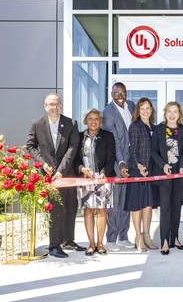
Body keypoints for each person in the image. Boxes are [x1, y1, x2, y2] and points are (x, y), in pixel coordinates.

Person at [26, 93, 84, 258]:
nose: (55, 107)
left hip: (67, 173)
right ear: (45, 107)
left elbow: (72, 149)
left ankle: (68, 240)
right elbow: (30, 145)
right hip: (49, 175)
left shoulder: (71, 123)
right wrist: (42, 163)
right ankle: (54, 245)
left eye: (57, 104)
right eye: (51, 104)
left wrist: (61, 171)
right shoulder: (37, 124)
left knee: (71, 207)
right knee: (56, 209)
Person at [151, 102, 183, 255]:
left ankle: (175, 238)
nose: (172, 114)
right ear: (165, 113)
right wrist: (163, 165)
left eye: (175, 112)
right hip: (164, 174)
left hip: (179, 175)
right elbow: (154, 151)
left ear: (179, 114)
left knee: (176, 209)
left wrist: (182, 167)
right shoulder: (159, 130)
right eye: (169, 111)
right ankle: (165, 241)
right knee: (166, 209)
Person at [74, 108, 116, 256]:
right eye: (90, 119)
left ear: (100, 121)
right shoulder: (79, 137)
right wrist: (81, 169)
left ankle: (100, 244)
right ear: (86, 121)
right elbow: (76, 158)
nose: (93, 121)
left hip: (103, 179)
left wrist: (104, 172)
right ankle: (91, 244)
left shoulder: (108, 136)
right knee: (88, 210)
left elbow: (111, 158)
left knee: (102, 210)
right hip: (85, 179)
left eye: (96, 119)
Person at [102, 82, 136, 251]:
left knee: (125, 202)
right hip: (117, 163)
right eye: (117, 94)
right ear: (112, 94)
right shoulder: (108, 113)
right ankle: (110, 239)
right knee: (114, 204)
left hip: (132, 162)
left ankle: (123, 237)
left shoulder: (131, 105)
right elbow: (114, 141)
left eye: (123, 94)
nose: (121, 97)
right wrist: (121, 163)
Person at [125, 98, 160, 252]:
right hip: (136, 170)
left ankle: (147, 236)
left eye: (148, 108)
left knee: (148, 205)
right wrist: (139, 165)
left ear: (151, 110)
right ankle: (138, 237)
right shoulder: (134, 127)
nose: (145, 111)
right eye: (142, 108)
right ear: (138, 111)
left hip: (151, 171)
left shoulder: (156, 128)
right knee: (137, 205)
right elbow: (132, 149)